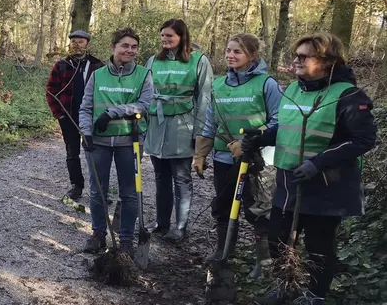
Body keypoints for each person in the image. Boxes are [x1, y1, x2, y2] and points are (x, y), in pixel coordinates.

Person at [244, 33, 376, 305]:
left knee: (319, 246)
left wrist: (318, 163)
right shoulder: (293, 90)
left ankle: (314, 299)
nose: (297, 61)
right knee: (278, 237)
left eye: (304, 57)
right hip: (289, 182)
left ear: (327, 62)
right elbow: (286, 128)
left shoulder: (349, 96)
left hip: (327, 186)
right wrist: (260, 137)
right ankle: (285, 285)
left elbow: (363, 139)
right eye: (296, 55)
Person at [194, 34, 282, 283]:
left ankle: (263, 262)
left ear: (252, 55)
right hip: (224, 158)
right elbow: (211, 122)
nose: (231, 55)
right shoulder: (218, 85)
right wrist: (200, 154)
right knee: (223, 207)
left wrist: (248, 144)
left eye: (238, 52)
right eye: (228, 51)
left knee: (258, 211)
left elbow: (278, 121)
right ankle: (224, 253)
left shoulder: (267, 84)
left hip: (259, 159)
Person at [79, 28, 153, 258]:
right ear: (114, 48)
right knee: (97, 190)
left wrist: (112, 113)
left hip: (129, 141)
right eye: (125, 46)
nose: (129, 50)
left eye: (133, 47)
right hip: (99, 142)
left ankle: (127, 240)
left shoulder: (143, 74)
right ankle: (98, 234)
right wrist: (86, 132)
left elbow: (144, 104)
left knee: (129, 193)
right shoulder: (98, 75)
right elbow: (85, 106)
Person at [144, 19, 213, 243]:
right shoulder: (153, 61)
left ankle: (180, 226)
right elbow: (145, 93)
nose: (165, 40)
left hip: (183, 126)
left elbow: (204, 98)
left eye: (169, 36)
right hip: (158, 124)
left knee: (181, 177)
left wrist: (199, 133)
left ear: (182, 37)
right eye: (162, 36)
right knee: (160, 176)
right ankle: (161, 222)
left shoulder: (199, 61)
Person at [45, 30, 104, 200]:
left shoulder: (97, 65)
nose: (77, 45)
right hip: (68, 116)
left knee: (95, 151)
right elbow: (51, 91)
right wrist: (59, 114)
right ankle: (76, 186)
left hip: (92, 116)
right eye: (74, 42)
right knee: (72, 152)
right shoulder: (62, 65)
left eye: (81, 42)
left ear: (87, 44)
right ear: (69, 44)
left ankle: (99, 188)